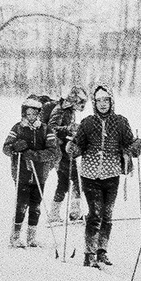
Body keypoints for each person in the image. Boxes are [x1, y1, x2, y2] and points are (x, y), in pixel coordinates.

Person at [67, 86, 141, 267]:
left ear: (111, 102)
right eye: (99, 101)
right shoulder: (87, 122)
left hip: (112, 174)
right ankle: (89, 253)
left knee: (107, 215)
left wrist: (135, 147)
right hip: (90, 175)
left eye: (106, 100)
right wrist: (72, 149)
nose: (103, 104)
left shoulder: (120, 122)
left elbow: (128, 145)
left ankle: (102, 251)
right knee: (95, 214)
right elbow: (79, 146)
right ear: (94, 103)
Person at [2, 96, 60, 248]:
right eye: (28, 114)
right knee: (21, 204)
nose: (31, 117)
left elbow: (53, 152)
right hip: (21, 173)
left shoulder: (46, 129)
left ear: (39, 114)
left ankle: (31, 238)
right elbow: (6, 148)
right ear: (24, 114)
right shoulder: (17, 128)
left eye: (34, 114)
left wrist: (35, 155)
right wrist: (15, 147)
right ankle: (14, 237)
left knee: (36, 206)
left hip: (40, 174)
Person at [47, 87, 89, 222]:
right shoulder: (60, 110)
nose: (82, 106)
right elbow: (51, 128)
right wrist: (68, 129)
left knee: (63, 183)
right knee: (76, 180)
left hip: (64, 151)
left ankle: (54, 214)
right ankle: (74, 213)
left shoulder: (69, 111)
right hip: (59, 152)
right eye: (81, 102)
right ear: (73, 100)